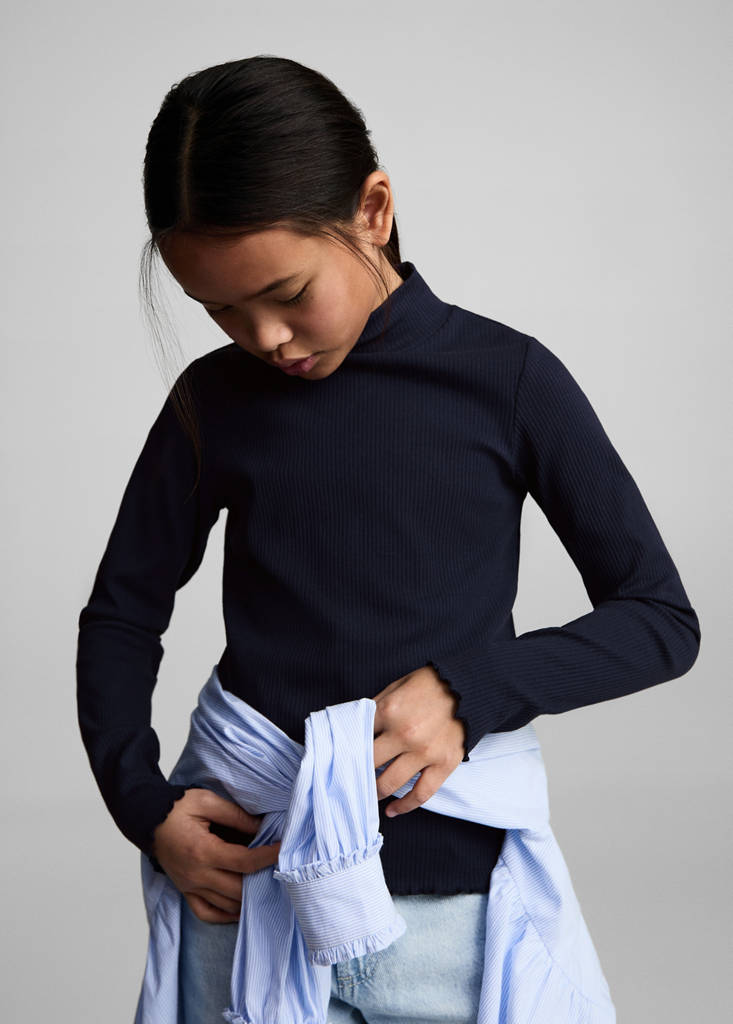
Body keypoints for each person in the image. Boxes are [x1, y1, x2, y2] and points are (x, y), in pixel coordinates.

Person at [75, 55, 701, 1023]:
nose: (265, 337)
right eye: (221, 311)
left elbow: (659, 620)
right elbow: (122, 614)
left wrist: (470, 688)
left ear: (372, 210)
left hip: (451, 918)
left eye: (287, 291)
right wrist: (143, 807)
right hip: (243, 901)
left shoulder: (508, 380)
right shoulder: (212, 401)